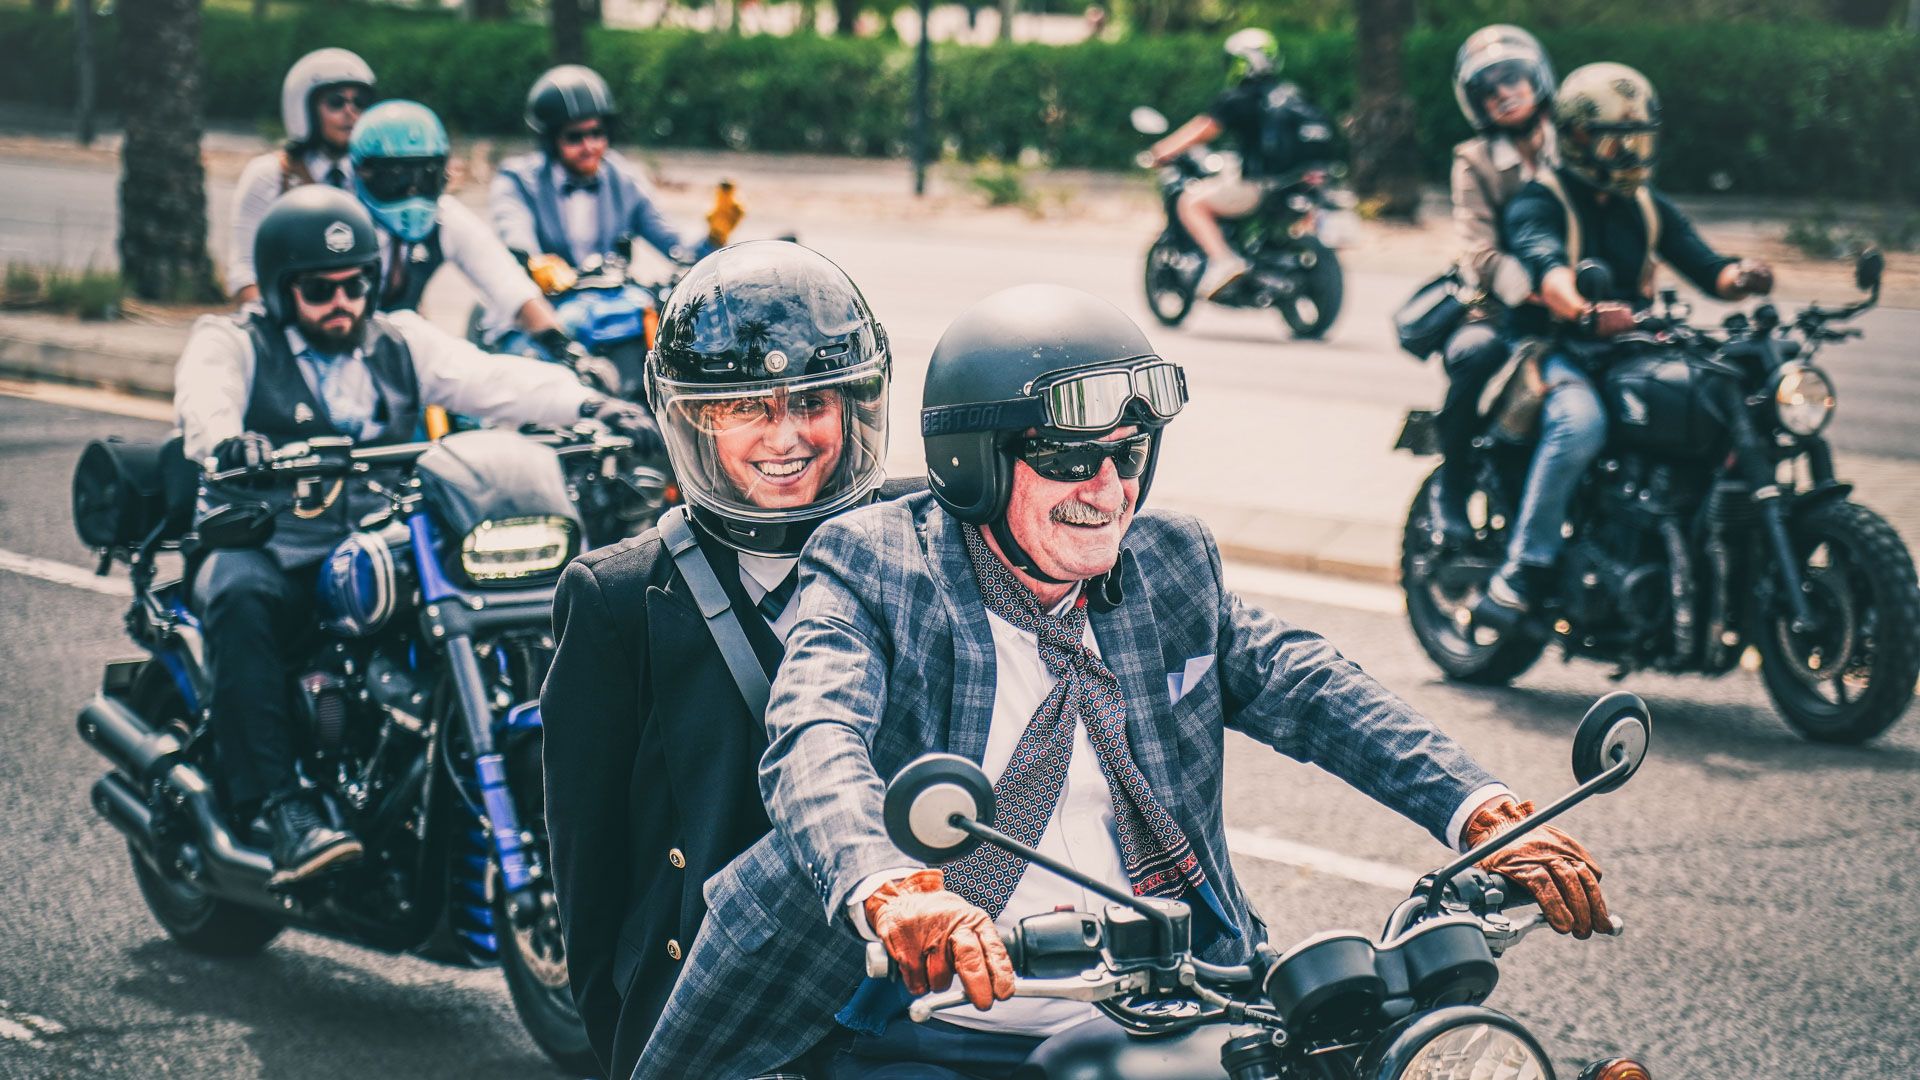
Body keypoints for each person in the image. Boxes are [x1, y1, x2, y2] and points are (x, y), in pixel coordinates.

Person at [635, 284, 1613, 1077]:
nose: (1109, 490)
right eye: (1070, 460)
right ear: (973, 462)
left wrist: (1480, 809)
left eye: (1128, 455)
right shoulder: (879, 563)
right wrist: (890, 889)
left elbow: (1306, 683)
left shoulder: (1169, 559)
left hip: (1177, 1003)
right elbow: (815, 737)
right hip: (926, 1023)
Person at [175, 186, 658, 886]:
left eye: (356, 285)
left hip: (374, 540)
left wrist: (591, 402)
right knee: (238, 592)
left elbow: (492, 380)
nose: (343, 302)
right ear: (282, 291)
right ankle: (280, 808)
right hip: (274, 540)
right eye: (320, 289)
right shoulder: (236, 342)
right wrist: (227, 443)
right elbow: (205, 396)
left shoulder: (397, 339)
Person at [539, 240, 910, 1080]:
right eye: (747, 407)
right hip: (715, 1015)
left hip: (892, 1004)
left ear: (854, 407)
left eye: (812, 402)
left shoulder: (914, 538)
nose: (786, 437)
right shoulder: (617, 596)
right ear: (696, 418)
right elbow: (587, 868)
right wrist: (633, 1033)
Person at [1472, 62, 1773, 631]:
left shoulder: (1646, 205)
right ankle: (1524, 570)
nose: (1630, 154)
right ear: (1578, 137)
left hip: (1632, 349)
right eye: (1616, 141)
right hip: (1555, 349)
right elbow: (1547, 268)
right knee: (1580, 423)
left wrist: (1744, 276)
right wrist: (1583, 311)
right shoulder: (1541, 199)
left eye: (1638, 140)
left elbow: (1707, 268)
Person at [1428, 25, 1559, 542]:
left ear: (1536, 79)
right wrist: (1532, 286)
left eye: (1513, 79)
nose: (1504, 93)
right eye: (1489, 88)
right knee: (1475, 355)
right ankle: (1452, 486)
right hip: (1500, 311)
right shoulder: (1474, 160)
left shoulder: (1576, 145)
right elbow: (1477, 249)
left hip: (1583, 307)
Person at [489, 65, 740, 294]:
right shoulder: (517, 182)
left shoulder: (624, 180)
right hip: (544, 308)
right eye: (575, 137)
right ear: (551, 141)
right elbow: (515, 234)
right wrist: (535, 263)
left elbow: (677, 249)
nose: (590, 146)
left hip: (610, 301)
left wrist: (713, 237)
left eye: (597, 133)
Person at [347, 100, 572, 353]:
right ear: (363, 173)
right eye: (397, 176)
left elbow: (506, 283)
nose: (413, 192)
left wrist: (562, 345)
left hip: (401, 351)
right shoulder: (342, 224)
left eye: (426, 175)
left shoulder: (444, 217)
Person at [1147, 29, 1336, 300]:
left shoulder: (1239, 98)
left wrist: (1161, 151)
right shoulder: (1293, 95)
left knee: (1191, 202)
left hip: (1258, 187)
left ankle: (1224, 260)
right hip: (1293, 183)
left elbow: (1203, 129)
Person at [226, 48, 375, 303]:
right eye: (336, 102)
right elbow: (243, 272)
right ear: (305, 108)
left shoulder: (374, 178)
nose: (351, 112)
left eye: (359, 102)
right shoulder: (271, 175)